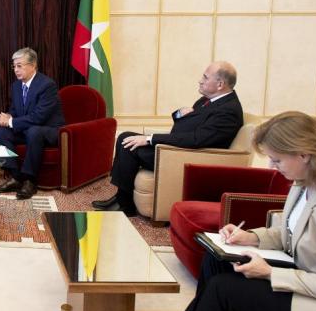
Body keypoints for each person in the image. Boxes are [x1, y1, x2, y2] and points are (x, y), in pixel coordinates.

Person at [158, 111, 316, 311]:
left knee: (222, 290)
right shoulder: (304, 183)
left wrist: (270, 273)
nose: (271, 167)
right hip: (306, 277)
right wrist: (251, 237)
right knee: (215, 261)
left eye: (276, 160)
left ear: (304, 154)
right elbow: (291, 233)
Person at [94, 61, 243, 216]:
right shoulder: (207, 100)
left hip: (184, 157)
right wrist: (180, 113)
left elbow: (196, 139)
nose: (200, 80)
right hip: (176, 149)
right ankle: (121, 197)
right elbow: (184, 123)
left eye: (205, 78)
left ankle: (124, 203)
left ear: (220, 84)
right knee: (126, 137)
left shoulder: (228, 111)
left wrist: (150, 139)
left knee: (130, 147)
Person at [0, 47, 65, 200]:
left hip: (48, 130)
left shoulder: (47, 85)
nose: (16, 70)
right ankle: (16, 177)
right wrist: (8, 116)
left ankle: (30, 180)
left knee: (34, 131)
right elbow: (16, 111)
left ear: (33, 66)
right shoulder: (16, 86)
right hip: (29, 128)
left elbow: (38, 117)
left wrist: (11, 121)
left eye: (20, 65)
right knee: (1, 132)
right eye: (14, 66)